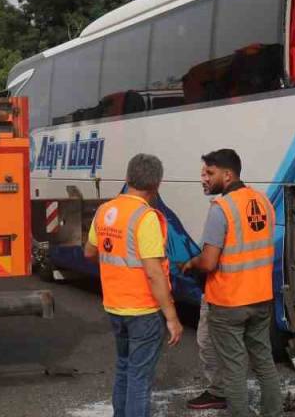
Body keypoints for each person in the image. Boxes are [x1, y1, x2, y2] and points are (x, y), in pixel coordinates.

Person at [182, 149, 283, 417]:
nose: (205, 178)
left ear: (228, 175)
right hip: (261, 299)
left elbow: (209, 263)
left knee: (234, 369)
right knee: (264, 362)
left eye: (210, 173)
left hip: (228, 303)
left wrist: (192, 263)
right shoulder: (263, 202)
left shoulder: (222, 209)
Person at [85, 153, 183, 417]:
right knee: (140, 378)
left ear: (127, 178)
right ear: (156, 186)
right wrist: (172, 317)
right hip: (143, 310)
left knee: (124, 367)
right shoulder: (145, 217)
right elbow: (154, 272)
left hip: (115, 306)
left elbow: (89, 252)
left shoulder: (105, 211)